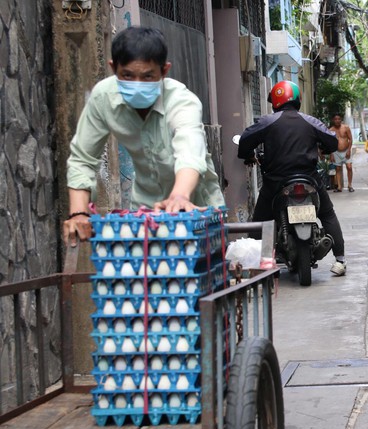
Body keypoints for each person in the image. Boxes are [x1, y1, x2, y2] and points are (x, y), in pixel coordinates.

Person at [63, 27, 225, 246]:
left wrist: (179, 196)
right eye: (128, 76)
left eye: (148, 76)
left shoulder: (182, 101)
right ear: (113, 68)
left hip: (197, 208)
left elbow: (190, 152)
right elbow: (82, 158)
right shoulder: (103, 98)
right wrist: (78, 213)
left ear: (164, 71)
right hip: (145, 210)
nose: (137, 84)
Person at [237, 81, 347, 276]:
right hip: (309, 180)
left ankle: (256, 265)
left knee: (260, 221)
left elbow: (245, 140)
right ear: (297, 99)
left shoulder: (267, 121)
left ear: (275, 102)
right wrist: (323, 148)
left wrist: (248, 156)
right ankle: (340, 260)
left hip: (276, 183)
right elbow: (332, 141)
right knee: (327, 214)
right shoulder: (310, 121)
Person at [329, 114, 354, 192]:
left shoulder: (346, 128)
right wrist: (331, 154)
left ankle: (350, 185)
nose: (337, 121)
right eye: (335, 119)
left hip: (346, 150)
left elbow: (350, 139)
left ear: (341, 120)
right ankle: (339, 186)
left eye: (339, 119)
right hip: (336, 151)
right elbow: (329, 143)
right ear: (333, 120)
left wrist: (349, 150)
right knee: (338, 168)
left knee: (349, 167)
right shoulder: (331, 130)